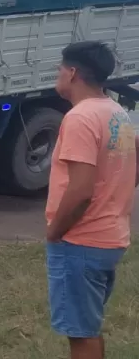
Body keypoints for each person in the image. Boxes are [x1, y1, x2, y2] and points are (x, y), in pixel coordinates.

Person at [46, 40, 138, 359]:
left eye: (59, 69)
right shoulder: (116, 113)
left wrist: (55, 231)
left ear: (72, 73)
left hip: (81, 242)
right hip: (111, 237)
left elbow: (81, 190)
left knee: (80, 334)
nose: (57, 75)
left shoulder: (80, 118)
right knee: (88, 327)